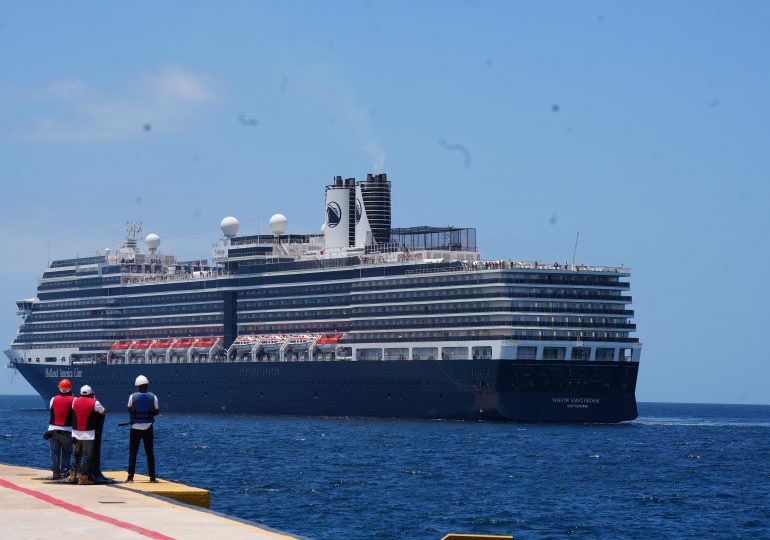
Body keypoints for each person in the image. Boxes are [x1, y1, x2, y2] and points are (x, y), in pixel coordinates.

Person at [70, 385, 106, 485]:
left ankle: (72, 475)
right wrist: (95, 400)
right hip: (88, 434)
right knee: (86, 455)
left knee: (75, 453)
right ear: (91, 393)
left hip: (75, 432)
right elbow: (104, 412)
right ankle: (83, 477)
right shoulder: (95, 402)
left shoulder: (74, 401)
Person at [127, 375, 159, 483]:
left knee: (133, 453)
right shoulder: (153, 397)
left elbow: (129, 409)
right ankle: (152, 478)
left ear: (137, 386)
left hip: (135, 428)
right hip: (148, 428)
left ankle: (130, 477)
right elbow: (156, 412)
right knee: (149, 453)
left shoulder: (132, 396)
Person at [47, 379, 75, 480]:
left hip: (52, 430)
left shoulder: (53, 399)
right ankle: (64, 472)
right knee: (67, 452)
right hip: (67, 430)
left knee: (54, 452)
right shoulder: (74, 400)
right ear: (70, 388)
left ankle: (55, 473)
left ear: (59, 387)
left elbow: (51, 409)